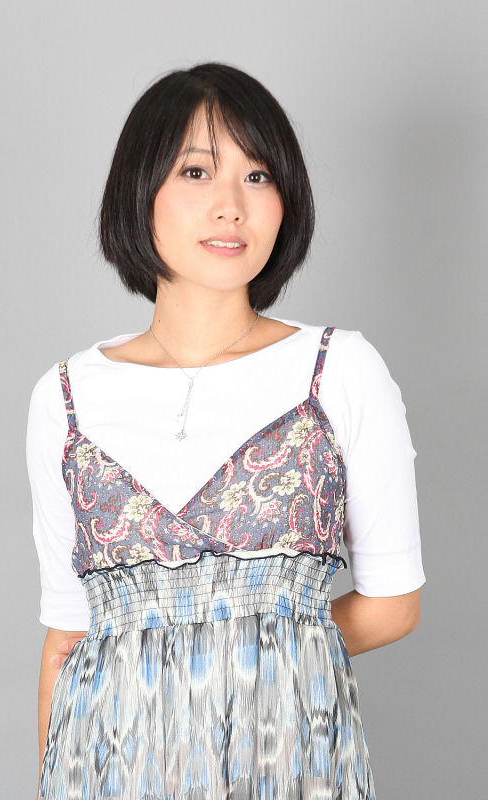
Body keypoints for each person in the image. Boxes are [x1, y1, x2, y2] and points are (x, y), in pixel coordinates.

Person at [26, 61, 426, 800]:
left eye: (257, 176)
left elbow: (393, 604)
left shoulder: (337, 370)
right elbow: (68, 636)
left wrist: (248, 653)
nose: (230, 206)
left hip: (286, 766)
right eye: (196, 171)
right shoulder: (66, 396)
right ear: (139, 190)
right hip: (107, 770)